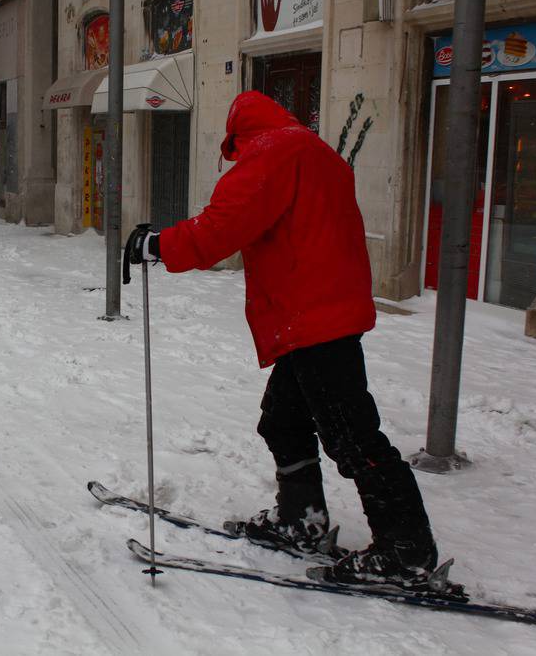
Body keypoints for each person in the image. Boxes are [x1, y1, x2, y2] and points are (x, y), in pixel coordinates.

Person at [123, 91, 438, 589]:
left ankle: (406, 551)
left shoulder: (273, 153)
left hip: (314, 315)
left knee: (352, 435)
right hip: (319, 311)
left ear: (238, 134)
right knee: (283, 420)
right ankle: (301, 519)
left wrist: (159, 245)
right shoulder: (316, 151)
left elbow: (223, 224)